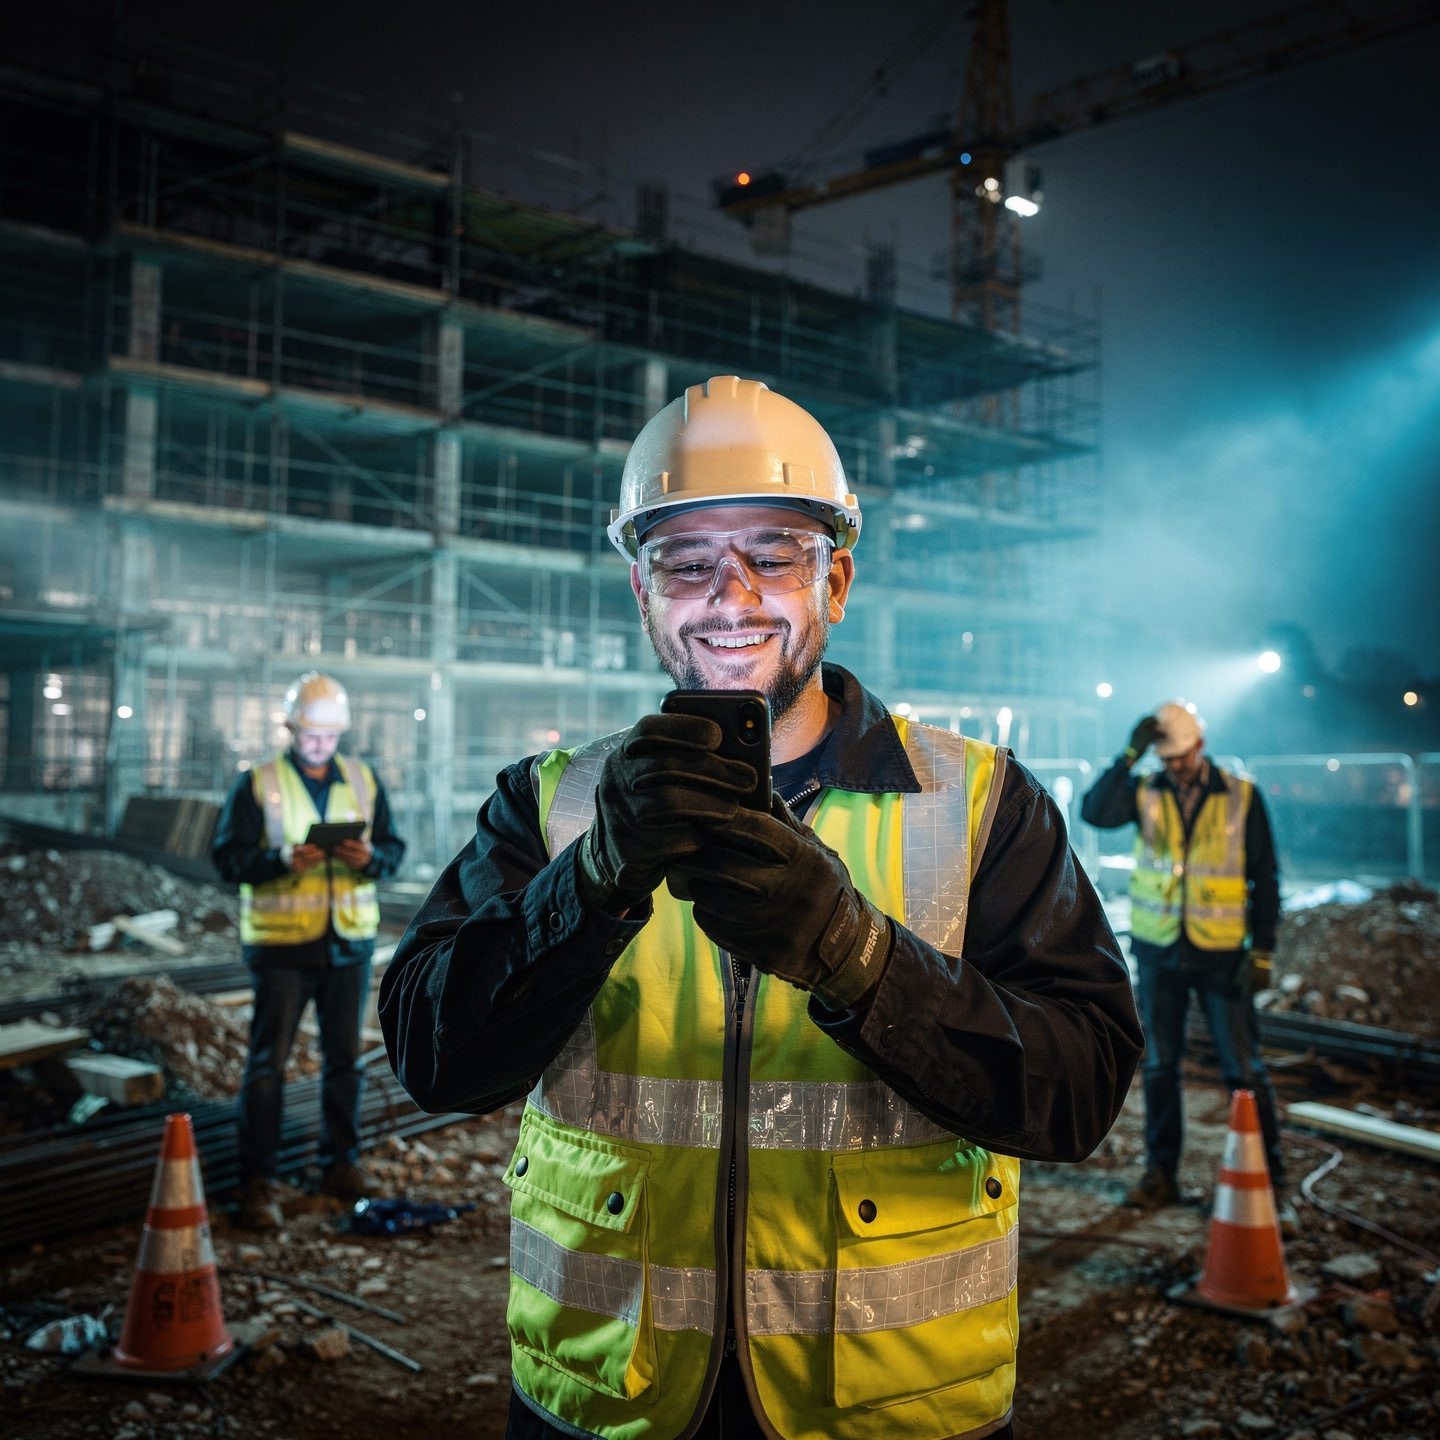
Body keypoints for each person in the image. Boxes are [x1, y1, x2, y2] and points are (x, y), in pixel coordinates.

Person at [382, 376, 1142, 1440]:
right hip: (610, 1398)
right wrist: (590, 882)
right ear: (641, 592)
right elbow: (434, 1057)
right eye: (685, 563)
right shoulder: (552, 805)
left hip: (891, 1409)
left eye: (774, 554)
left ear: (836, 579)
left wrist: (858, 959)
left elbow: (1082, 1088)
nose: (729, 598)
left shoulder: (979, 804)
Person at [1080, 701, 1288, 1221]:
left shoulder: (1242, 796)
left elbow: (1266, 878)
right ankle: (1161, 1175)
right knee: (1159, 1067)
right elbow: (1094, 812)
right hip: (1161, 950)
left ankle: (1272, 1181)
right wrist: (1129, 754)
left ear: (1200, 745)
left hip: (1221, 956)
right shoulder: (1146, 788)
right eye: (1164, 757)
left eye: (1180, 756)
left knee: (1244, 1070)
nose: (1173, 766)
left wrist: (1262, 948)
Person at [213, 671, 405, 1229]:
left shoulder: (363, 780)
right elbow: (226, 859)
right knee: (267, 1067)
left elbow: (392, 851)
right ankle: (258, 1180)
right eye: (310, 734)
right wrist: (279, 862)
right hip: (282, 951)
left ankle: (339, 1164)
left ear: (339, 733)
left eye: (328, 736)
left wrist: (366, 859)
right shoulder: (259, 783)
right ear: (292, 728)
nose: (319, 744)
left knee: (344, 1063)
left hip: (347, 945)